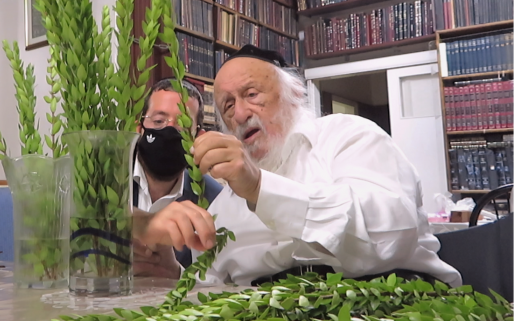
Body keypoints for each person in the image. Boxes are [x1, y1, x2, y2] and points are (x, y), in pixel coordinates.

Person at [134, 45, 462, 287]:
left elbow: (392, 232)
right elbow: (212, 288)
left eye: (252, 94)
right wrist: (172, 273)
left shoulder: (348, 137)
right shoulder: (224, 205)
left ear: (294, 93)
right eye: (228, 106)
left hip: (394, 302)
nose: (241, 113)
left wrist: (260, 189)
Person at [132, 78, 223, 279]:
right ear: (139, 128)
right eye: (158, 121)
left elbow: (218, 278)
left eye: (183, 125)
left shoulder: (215, 199)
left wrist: (174, 273)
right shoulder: (107, 181)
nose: (169, 130)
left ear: (198, 137)